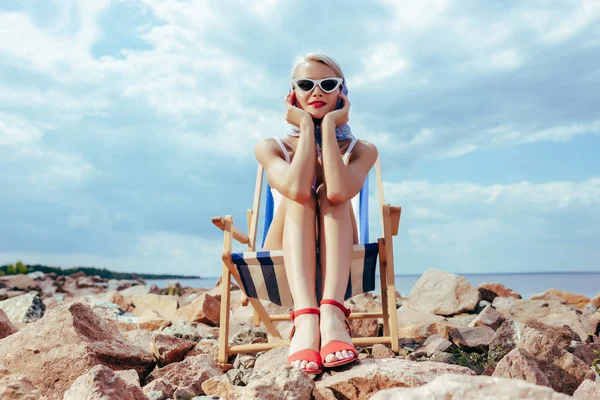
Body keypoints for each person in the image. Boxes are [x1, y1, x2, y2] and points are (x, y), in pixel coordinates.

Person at [254, 52, 378, 374]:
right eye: (306, 84)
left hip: (342, 256)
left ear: (342, 93)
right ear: (293, 94)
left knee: (328, 194)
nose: (317, 92)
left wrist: (331, 128)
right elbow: (295, 189)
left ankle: (332, 316)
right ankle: (307, 318)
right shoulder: (271, 147)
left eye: (328, 84)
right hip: (283, 260)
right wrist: (307, 127)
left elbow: (338, 192)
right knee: (303, 195)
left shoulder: (362, 150)